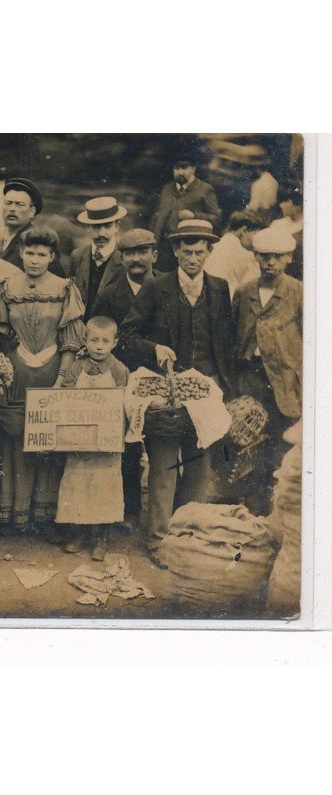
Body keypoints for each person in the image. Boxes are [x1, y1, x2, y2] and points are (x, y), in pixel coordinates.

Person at [120, 219, 237, 563]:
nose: (193, 258)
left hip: (205, 393)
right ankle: (157, 540)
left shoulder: (218, 288)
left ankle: (188, 536)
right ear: (174, 251)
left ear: (209, 252)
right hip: (165, 394)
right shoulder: (157, 288)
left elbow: (226, 344)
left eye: (200, 252)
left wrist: (226, 389)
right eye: (186, 251)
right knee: (164, 466)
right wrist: (154, 348)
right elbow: (126, 336)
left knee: (200, 468)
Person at [0, 226, 86, 537]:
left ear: (52, 257)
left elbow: (70, 341)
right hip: (16, 371)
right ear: (20, 253)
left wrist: (61, 379)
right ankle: (13, 515)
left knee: (47, 443)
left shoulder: (63, 288)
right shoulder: (8, 287)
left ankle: (44, 516)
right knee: (14, 440)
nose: (34, 259)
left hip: (51, 372)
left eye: (41, 254)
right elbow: (1, 332)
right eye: (29, 253)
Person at [93, 228, 160, 529]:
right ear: (121, 258)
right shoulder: (110, 293)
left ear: (154, 255)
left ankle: (162, 513)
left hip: (156, 377)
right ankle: (129, 510)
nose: (136, 259)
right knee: (128, 447)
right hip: (121, 375)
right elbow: (97, 330)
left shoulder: (165, 286)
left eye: (142, 251)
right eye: (130, 253)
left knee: (160, 445)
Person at [233, 227, 302, 514]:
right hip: (252, 378)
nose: (270, 263)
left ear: (288, 258)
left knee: (281, 445)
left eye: (277, 257)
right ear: (255, 258)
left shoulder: (298, 292)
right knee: (250, 444)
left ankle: (280, 510)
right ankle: (252, 509)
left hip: (285, 381)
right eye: (264, 257)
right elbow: (233, 334)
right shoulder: (245, 291)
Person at [55, 317, 130, 561]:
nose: (99, 346)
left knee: (103, 488)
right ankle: (78, 532)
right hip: (79, 439)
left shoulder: (119, 370)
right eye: (94, 340)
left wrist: (116, 431)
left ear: (114, 343)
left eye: (105, 341)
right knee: (77, 485)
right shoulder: (76, 368)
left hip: (106, 442)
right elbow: (65, 396)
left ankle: (100, 537)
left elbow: (126, 406)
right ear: (85, 341)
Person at [150, 152, 221, 271]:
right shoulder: (167, 188)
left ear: (193, 169)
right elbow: (157, 217)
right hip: (162, 249)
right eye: (177, 168)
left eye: (184, 168)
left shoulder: (205, 189)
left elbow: (216, 219)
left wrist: (194, 215)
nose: (180, 172)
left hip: (186, 250)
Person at [68, 196, 127, 320]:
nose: (101, 233)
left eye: (107, 226)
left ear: (117, 226)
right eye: (95, 226)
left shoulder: (125, 259)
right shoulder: (77, 256)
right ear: (87, 227)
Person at [0, 177, 65, 278]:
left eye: (19, 205)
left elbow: (57, 284)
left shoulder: (40, 240)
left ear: (31, 212)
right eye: (8, 203)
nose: (12, 209)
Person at [203, 209, 267, 298]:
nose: (258, 239)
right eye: (256, 233)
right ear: (244, 231)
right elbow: (254, 290)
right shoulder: (246, 255)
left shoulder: (213, 247)